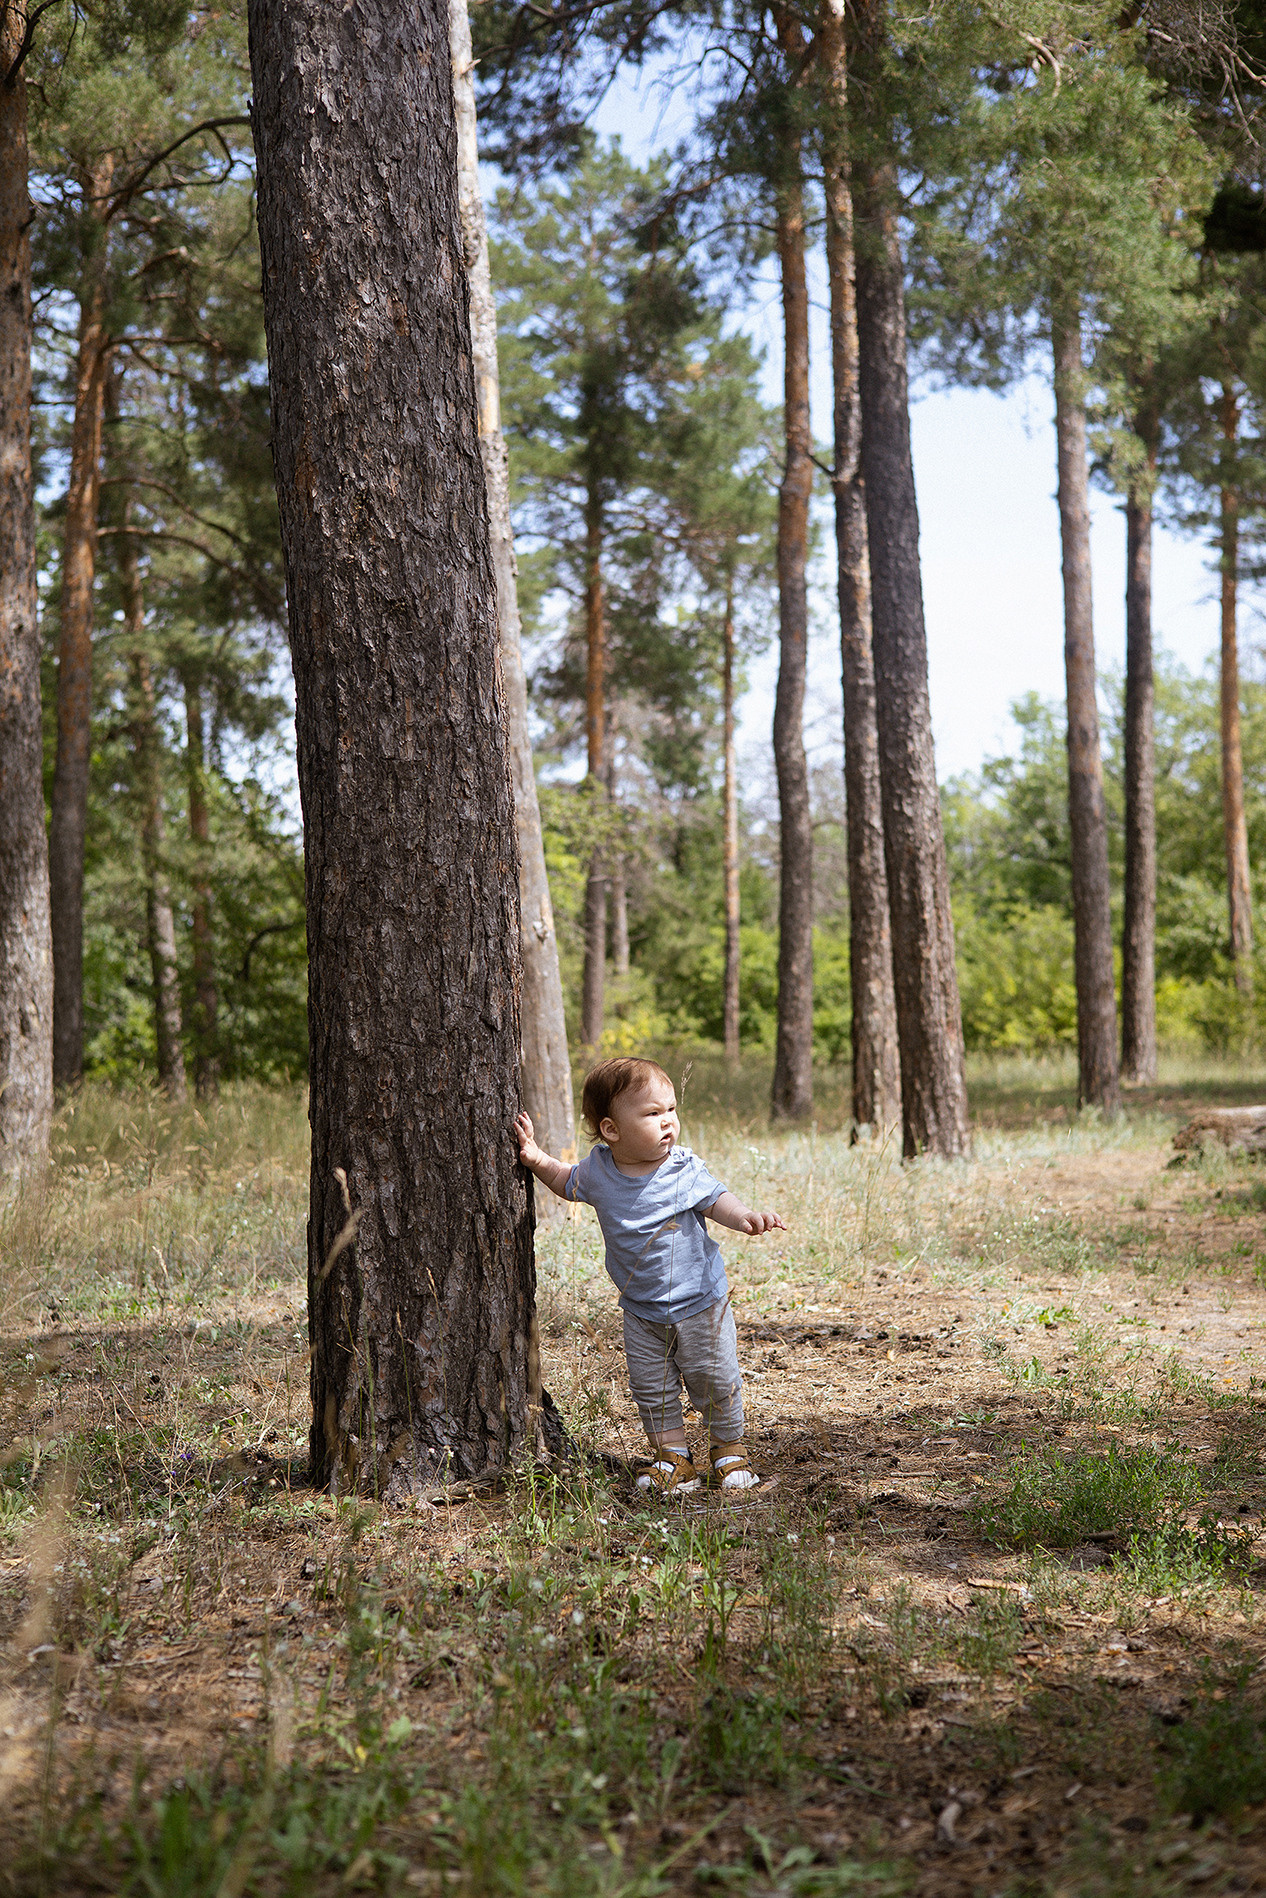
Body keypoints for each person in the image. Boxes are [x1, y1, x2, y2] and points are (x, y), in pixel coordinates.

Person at [514, 1056, 786, 1496]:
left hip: (700, 1302)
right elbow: (565, 1181)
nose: (668, 1123)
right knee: (651, 1388)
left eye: (672, 1111)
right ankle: (673, 1458)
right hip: (641, 1309)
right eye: (653, 1113)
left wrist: (747, 1217)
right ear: (611, 1130)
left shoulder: (682, 1166)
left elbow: (717, 1199)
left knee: (714, 1377)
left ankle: (729, 1449)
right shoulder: (599, 1171)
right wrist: (535, 1158)